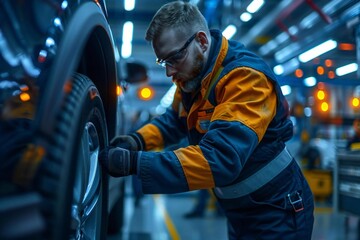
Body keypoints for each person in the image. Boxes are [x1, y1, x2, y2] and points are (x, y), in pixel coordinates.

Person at [99, 1, 314, 239]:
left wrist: (135, 163)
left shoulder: (245, 79)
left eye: (174, 58)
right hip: (240, 210)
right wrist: (136, 141)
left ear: (201, 41)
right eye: (163, 62)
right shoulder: (191, 78)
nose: (169, 72)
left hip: (277, 209)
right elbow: (173, 121)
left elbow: (220, 159)